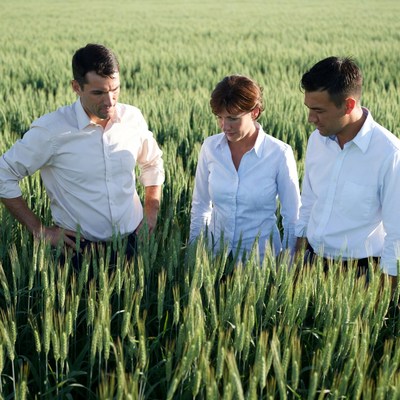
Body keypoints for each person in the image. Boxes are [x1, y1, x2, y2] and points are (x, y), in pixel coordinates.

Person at [0, 43, 165, 264]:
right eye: (98, 93)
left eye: (114, 89)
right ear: (76, 87)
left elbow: (153, 162)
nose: (109, 101)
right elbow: (4, 173)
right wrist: (39, 230)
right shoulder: (52, 131)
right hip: (77, 253)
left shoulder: (132, 118)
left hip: (132, 244)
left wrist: (151, 209)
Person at [295, 56, 400, 284]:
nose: (310, 118)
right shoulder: (316, 141)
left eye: (319, 110)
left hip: (360, 273)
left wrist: (384, 295)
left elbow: (397, 232)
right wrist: (298, 257)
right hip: (312, 264)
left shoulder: (389, 153)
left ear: (349, 105)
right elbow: (310, 201)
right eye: (309, 108)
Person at [189, 75, 300, 262]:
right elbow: (200, 206)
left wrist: (289, 265)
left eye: (233, 118)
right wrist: (194, 254)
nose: (225, 126)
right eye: (220, 118)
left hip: (261, 261)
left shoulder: (279, 153)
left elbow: (292, 216)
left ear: (254, 112)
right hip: (215, 258)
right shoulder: (210, 148)